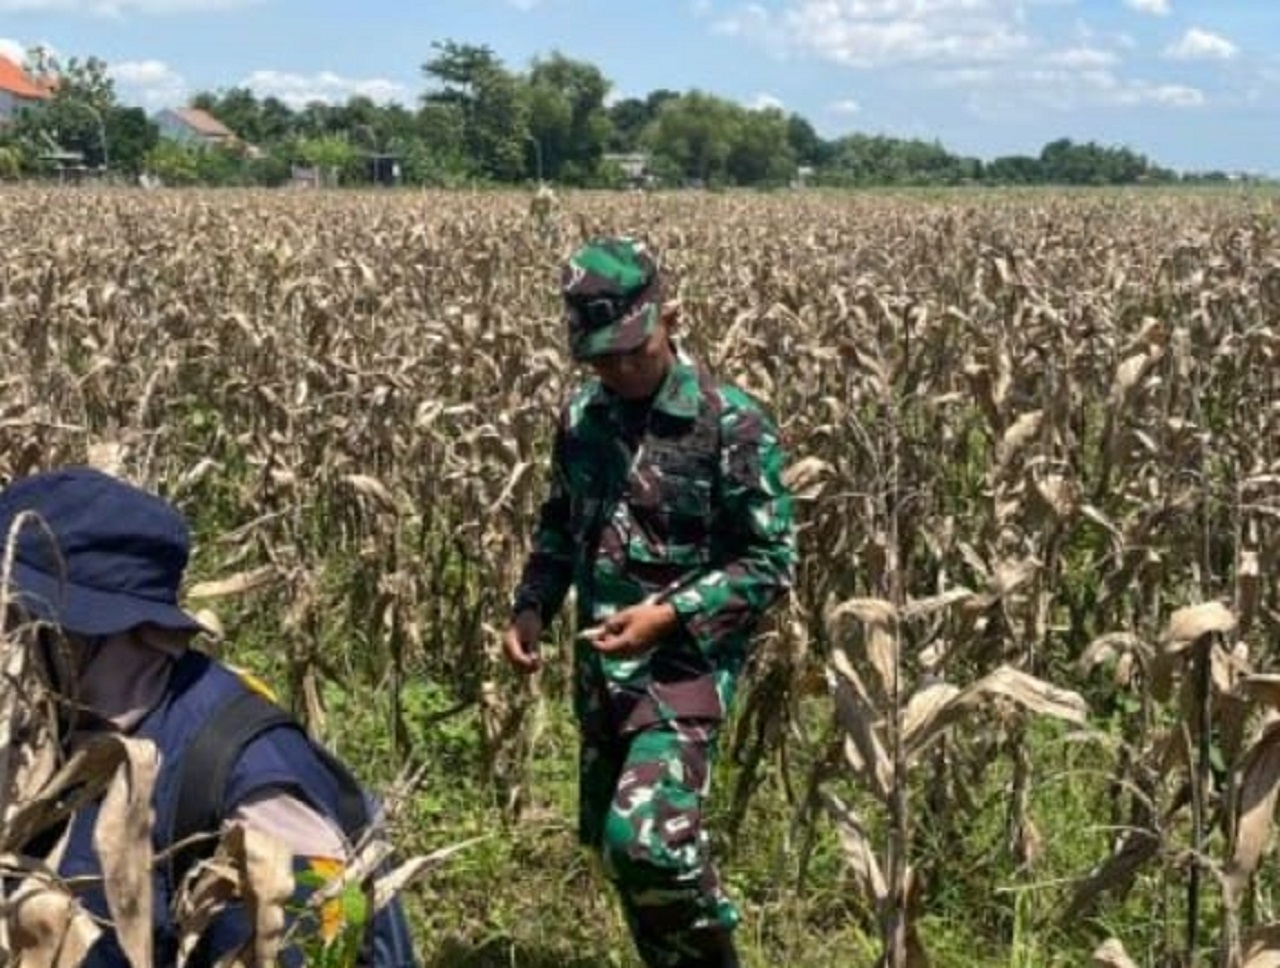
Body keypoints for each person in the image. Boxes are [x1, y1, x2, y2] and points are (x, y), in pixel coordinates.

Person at [504, 237, 797, 968]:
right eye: (602, 359)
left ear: (672, 319)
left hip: (684, 668)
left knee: (649, 842)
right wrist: (532, 603)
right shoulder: (584, 419)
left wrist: (668, 614)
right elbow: (560, 521)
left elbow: (770, 561)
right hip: (603, 674)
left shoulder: (731, 424)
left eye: (632, 353)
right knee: (619, 850)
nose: (620, 372)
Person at [0, 466, 417, 966]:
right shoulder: (48, 722)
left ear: (88, 629)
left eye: (15, 616)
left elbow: (314, 945)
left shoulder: (255, 790)